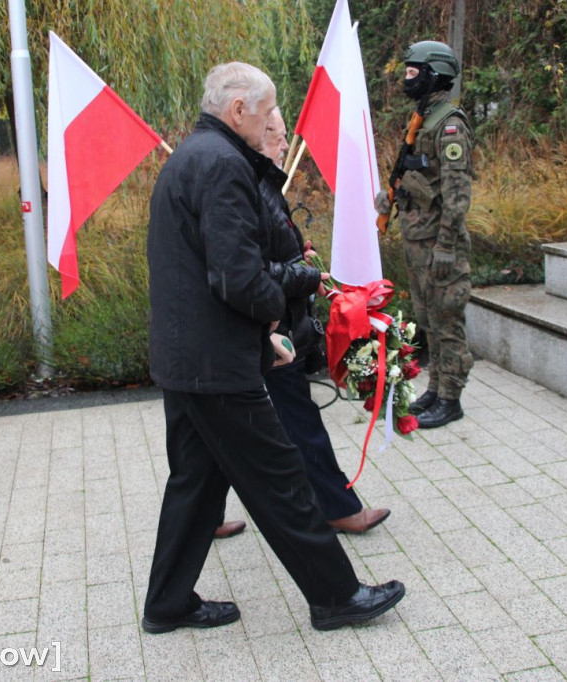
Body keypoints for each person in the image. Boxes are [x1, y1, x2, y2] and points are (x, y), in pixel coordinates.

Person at [143, 61, 404, 633]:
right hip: (214, 364)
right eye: (264, 114)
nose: (269, 126)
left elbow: (204, 269)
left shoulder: (193, 157)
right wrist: (277, 313)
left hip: (188, 356)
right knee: (279, 476)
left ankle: (166, 603)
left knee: (196, 480)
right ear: (238, 110)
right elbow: (237, 277)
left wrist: (263, 337)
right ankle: (336, 596)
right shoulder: (223, 166)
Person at [257, 107, 391, 533]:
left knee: (229, 425)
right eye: (278, 137)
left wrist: (300, 253)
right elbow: (255, 268)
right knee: (297, 421)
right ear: (258, 138)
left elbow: (273, 249)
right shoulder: (254, 188)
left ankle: (204, 517)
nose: (285, 145)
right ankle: (338, 507)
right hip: (270, 328)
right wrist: (307, 275)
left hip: (275, 323)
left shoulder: (264, 186)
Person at [375, 40, 474, 429]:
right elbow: (418, 174)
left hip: (438, 243)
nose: (406, 78)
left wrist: (447, 246)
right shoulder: (423, 118)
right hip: (419, 238)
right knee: (428, 317)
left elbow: (456, 193)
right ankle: (436, 389)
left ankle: (451, 398)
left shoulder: (449, 124)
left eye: (414, 71)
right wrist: (390, 198)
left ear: (434, 74)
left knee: (447, 318)